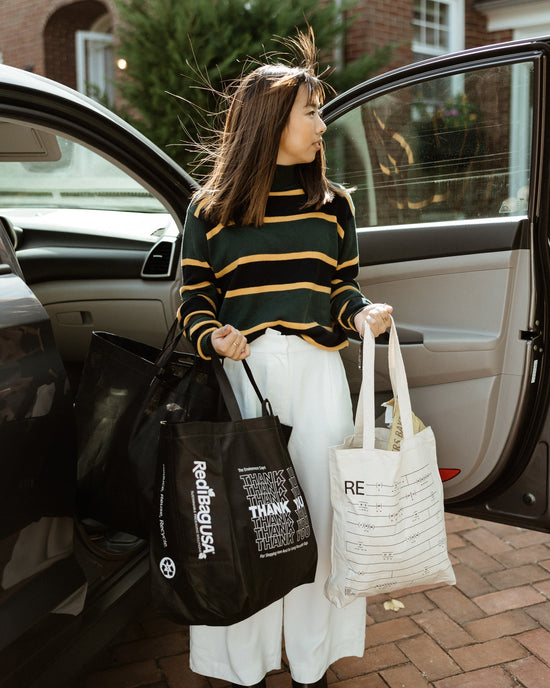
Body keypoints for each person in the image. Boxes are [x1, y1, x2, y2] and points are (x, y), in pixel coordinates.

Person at [178, 29, 393, 688]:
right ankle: (241, 662)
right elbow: (193, 303)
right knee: (246, 526)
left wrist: (359, 314)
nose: (321, 122)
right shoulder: (210, 210)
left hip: (320, 379)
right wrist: (213, 336)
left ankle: (310, 662)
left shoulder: (334, 206)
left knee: (318, 526)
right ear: (271, 120)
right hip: (244, 384)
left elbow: (340, 289)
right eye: (311, 109)